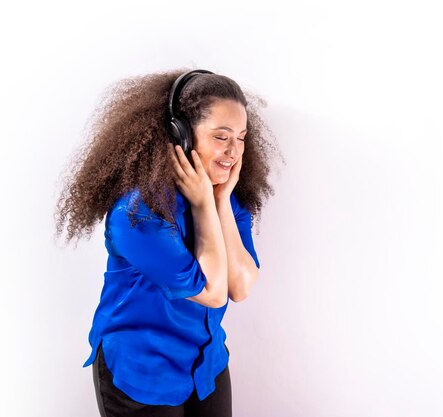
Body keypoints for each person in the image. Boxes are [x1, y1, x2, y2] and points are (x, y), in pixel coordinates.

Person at [55, 68, 283, 417]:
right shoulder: (137, 214)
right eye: (221, 136)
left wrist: (219, 202)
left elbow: (240, 286)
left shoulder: (229, 198)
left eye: (241, 137)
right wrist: (204, 204)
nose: (234, 151)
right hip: (143, 370)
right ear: (182, 136)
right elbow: (213, 293)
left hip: (204, 361)